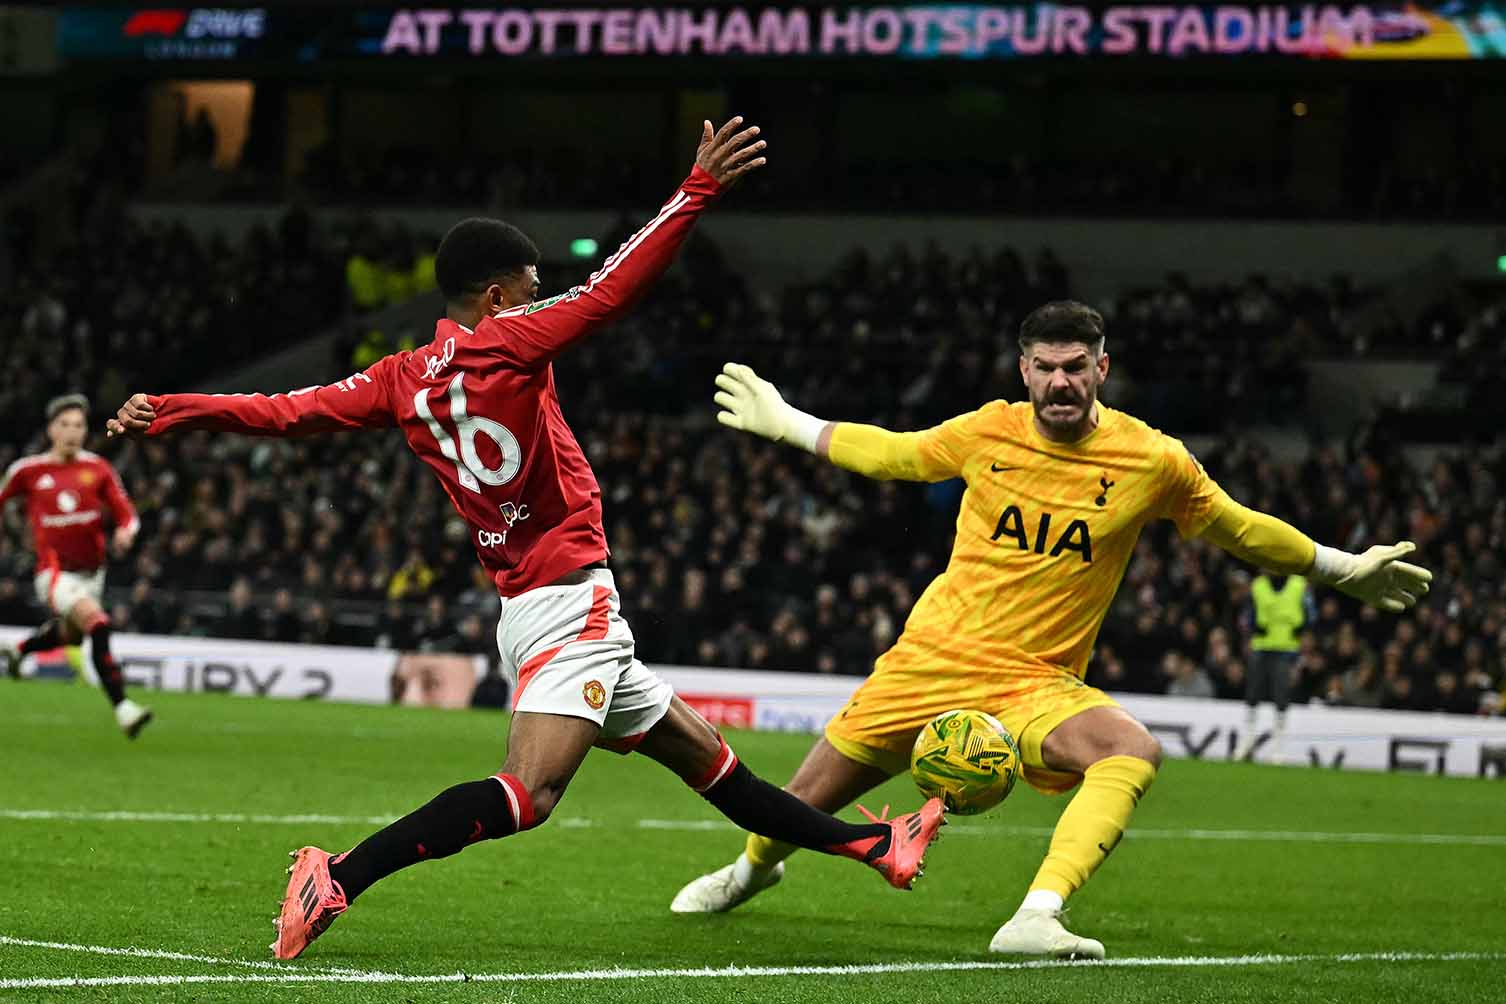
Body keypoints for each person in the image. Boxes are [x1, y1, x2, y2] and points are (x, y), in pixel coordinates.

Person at [106, 118, 944, 962]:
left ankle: (876, 848)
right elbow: (612, 289)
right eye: (533, 284)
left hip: (537, 601)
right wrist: (695, 191)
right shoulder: (512, 340)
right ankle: (339, 874)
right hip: (565, 597)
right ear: (500, 295)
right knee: (530, 793)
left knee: (716, 767)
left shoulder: (399, 378)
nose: (543, 294)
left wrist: (175, 411)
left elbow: (286, 413)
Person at [673, 300, 1433, 958]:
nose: (1061, 380)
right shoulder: (987, 433)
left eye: (1077, 366)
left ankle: (1037, 915)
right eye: (1046, 366)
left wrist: (1338, 567)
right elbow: (897, 456)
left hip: (1035, 682)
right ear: (1024, 370)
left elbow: (1235, 528)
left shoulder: (1151, 458)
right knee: (801, 802)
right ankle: (751, 870)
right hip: (927, 662)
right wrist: (790, 424)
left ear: (1103, 369)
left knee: (1130, 749)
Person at [0, 394, 152, 738]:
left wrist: (127, 532)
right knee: (97, 623)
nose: (72, 432)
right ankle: (124, 709)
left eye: (79, 425)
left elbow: (126, 513)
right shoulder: (27, 471)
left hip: (93, 573)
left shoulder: (97, 468)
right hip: (54, 573)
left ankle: (18, 650)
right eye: (65, 425)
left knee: (73, 633)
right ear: (51, 429)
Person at [1233, 571, 1316, 761]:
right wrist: (1253, 626)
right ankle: (1248, 741)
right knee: (1252, 695)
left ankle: (1278, 748)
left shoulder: (1299, 585)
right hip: (1261, 646)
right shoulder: (1258, 586)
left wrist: (1301, 629)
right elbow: (1247, 614)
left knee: (1281, 697)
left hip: (1286, 649)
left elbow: (1311, 614)